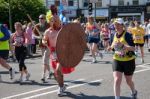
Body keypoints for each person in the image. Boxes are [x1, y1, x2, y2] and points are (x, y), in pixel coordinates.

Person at [43, 7, 74, 96]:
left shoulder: (62, 29)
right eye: (52, 20)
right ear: (49, 21)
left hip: (62, 52)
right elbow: (44, 40)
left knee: (57, 70)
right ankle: (62, 85)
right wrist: (44, 41)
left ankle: (60, 88)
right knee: (58, 73)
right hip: (53, 54)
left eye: (56, 20)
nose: (55, 22)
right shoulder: (47, 32)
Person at [108, 18, 137, 99]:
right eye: (115, 24)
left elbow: (133, 48)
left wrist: (123, 46)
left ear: (122, 25)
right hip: (117, 60)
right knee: (117, 80)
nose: (116, 26)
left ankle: (134, 92)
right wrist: (110, 48)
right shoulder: (113, 35)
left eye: (118, 24)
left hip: (128, 61)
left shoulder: (127, 35)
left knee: (128, 81)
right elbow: (113, 47)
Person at [33, 14, 53, 82]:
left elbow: (52, 33)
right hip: (41, 45)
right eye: (39, 18)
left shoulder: (48, 25)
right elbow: (33, 35)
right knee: (45, 60)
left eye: (42, 18)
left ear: (45, 19)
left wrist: (45, 36)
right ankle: (50, 72)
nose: (40, 19)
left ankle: (43, 75)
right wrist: (38, 37)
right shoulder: (37, 26)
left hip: (48, 45)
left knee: (44, 60)